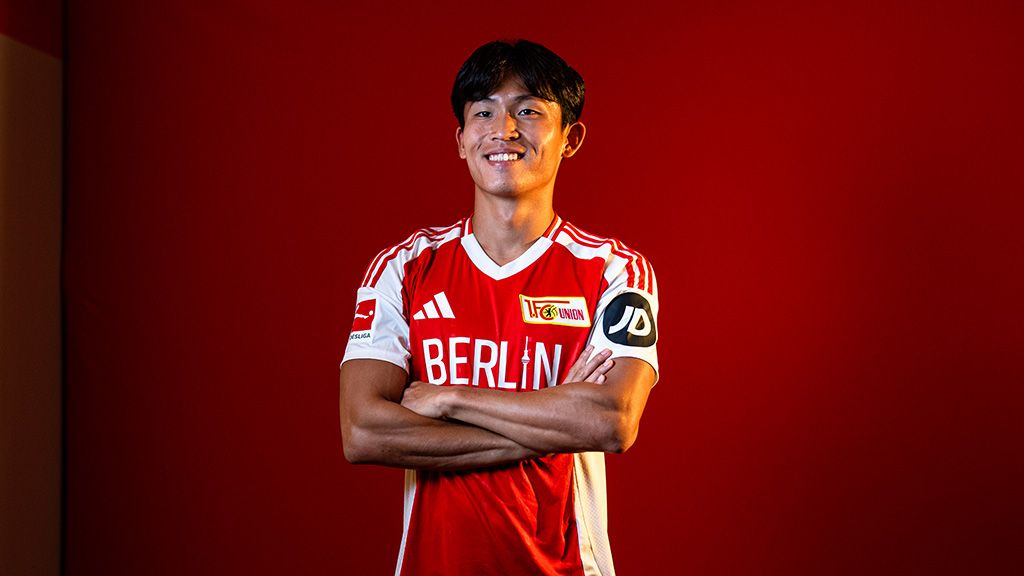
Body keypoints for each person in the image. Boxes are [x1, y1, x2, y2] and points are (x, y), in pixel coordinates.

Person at [339, 39, 659, 576]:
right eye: (483, 112)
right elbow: (363, 431)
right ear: (461, 140)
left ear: (570, 138)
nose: (503, 130)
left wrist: (448, 397)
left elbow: (611, 421)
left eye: (528, 111)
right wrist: (553, 418)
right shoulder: (403, 267)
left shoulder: (614, 270)